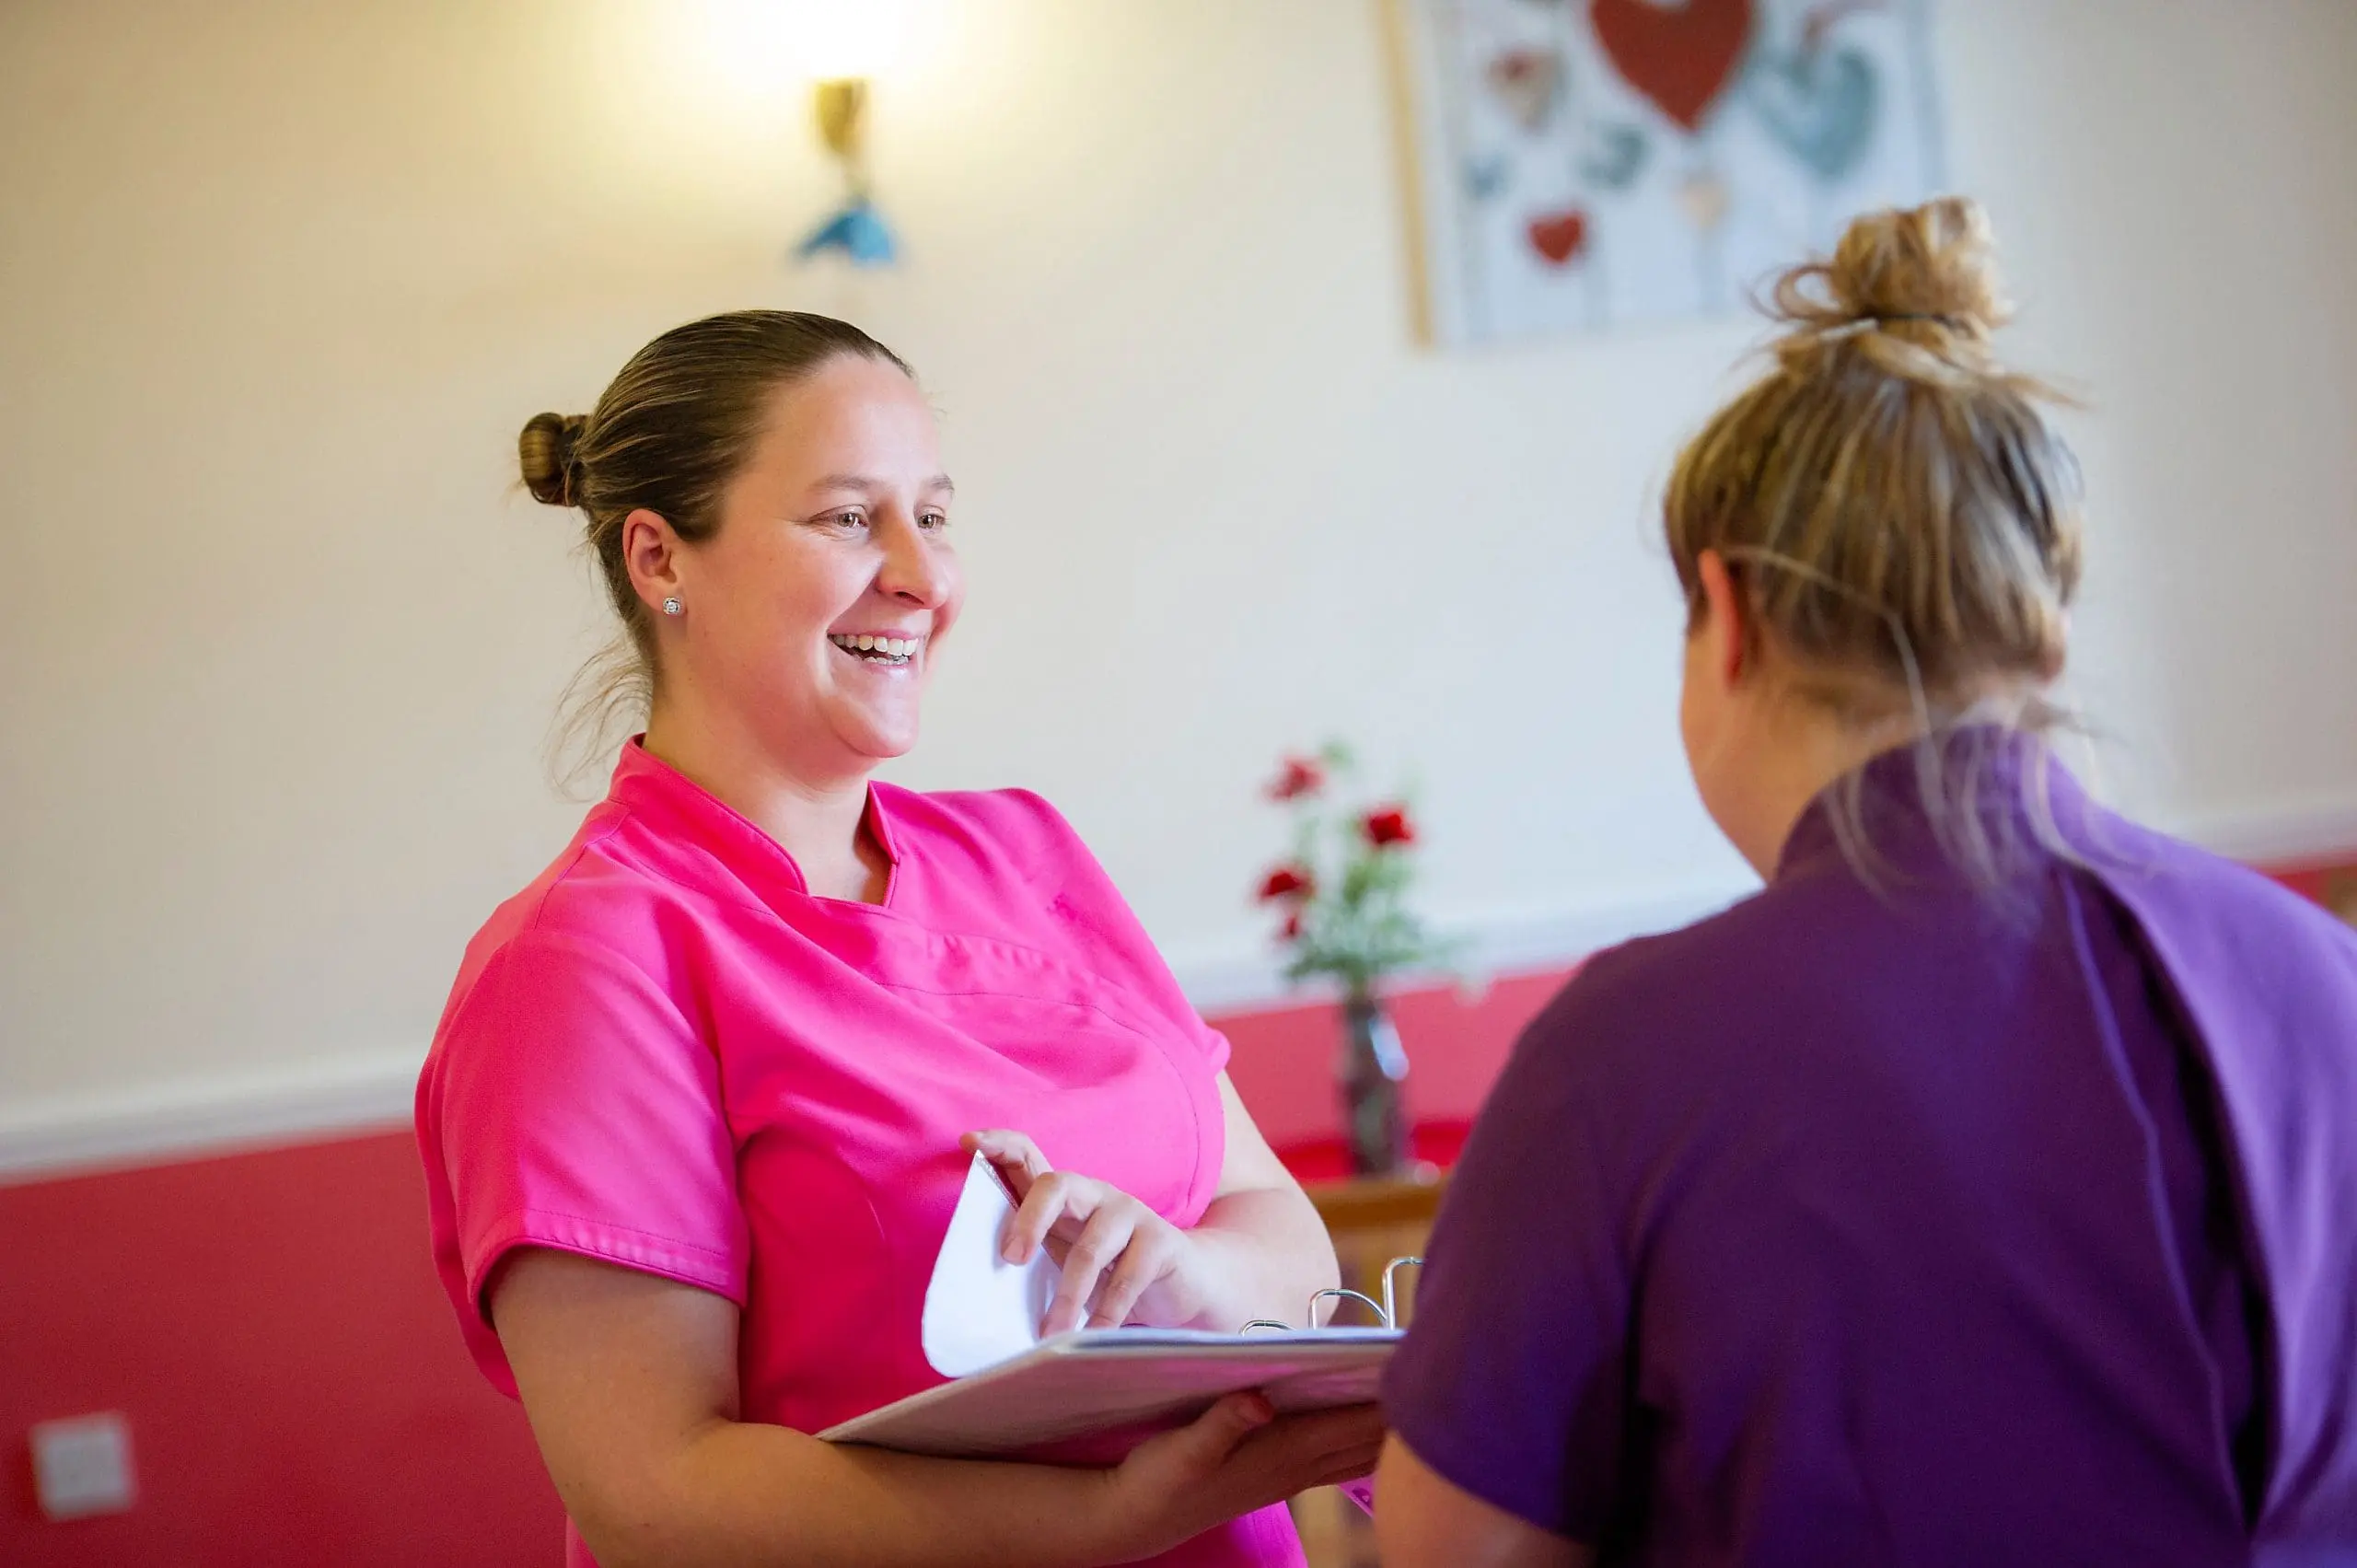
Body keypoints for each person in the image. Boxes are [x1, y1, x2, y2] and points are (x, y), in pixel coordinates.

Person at [1376, 198, 2357, 1566]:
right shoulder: (2321, 974)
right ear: (2042, 630)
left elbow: (1455, 1554)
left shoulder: (1624, 1054)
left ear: (1727, 618)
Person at [413, 310, 1376, 1568]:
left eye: (934, 514)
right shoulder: (585, 961)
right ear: (659, 557)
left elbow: (1278, 1227)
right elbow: (656, 1495)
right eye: (848, 518)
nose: (924, 576)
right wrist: (1106, 1519)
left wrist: (1188, 1281)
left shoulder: (1025, 851)